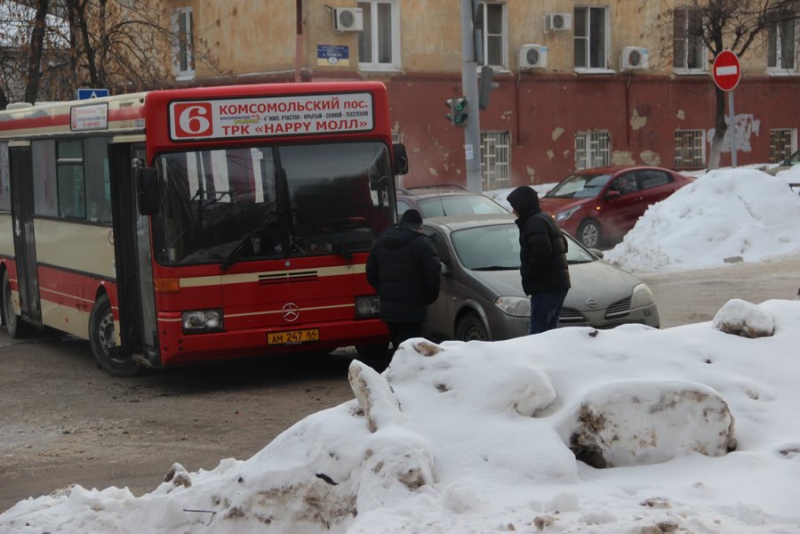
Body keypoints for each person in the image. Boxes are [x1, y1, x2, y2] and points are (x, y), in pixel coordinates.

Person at [366, 209, 441, 351]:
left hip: (390, 310)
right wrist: (426, 299)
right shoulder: (423, 244)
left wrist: (385, 292)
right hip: (413, 309)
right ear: (418, 227)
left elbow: (370, 273)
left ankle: (398, 371)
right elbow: (433, 275)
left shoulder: (381, 241)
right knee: (411, 350)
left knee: (398, 347)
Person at [506, 186, 571, 335]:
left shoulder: (534, 222)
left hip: (545, 287)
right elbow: (564, 245)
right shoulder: (544, 218)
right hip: (557, 284)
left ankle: (537, 359)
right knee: (549, 334)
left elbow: (542, 251)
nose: (513, 211)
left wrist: (529, 274)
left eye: (514, 206)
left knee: (537, 335)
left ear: (523, 205)